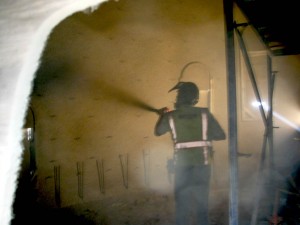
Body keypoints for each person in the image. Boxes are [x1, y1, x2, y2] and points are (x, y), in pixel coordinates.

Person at [154, 82, 226, 225]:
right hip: (203, 166)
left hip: (182, 167)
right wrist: (203, 133)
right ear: (195, 98)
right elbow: (221, 135)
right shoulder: (204, 114)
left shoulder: (171, 116)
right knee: (202, 207)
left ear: (179, 97)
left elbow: (158, 132)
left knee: (182, 207)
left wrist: (162, 115)